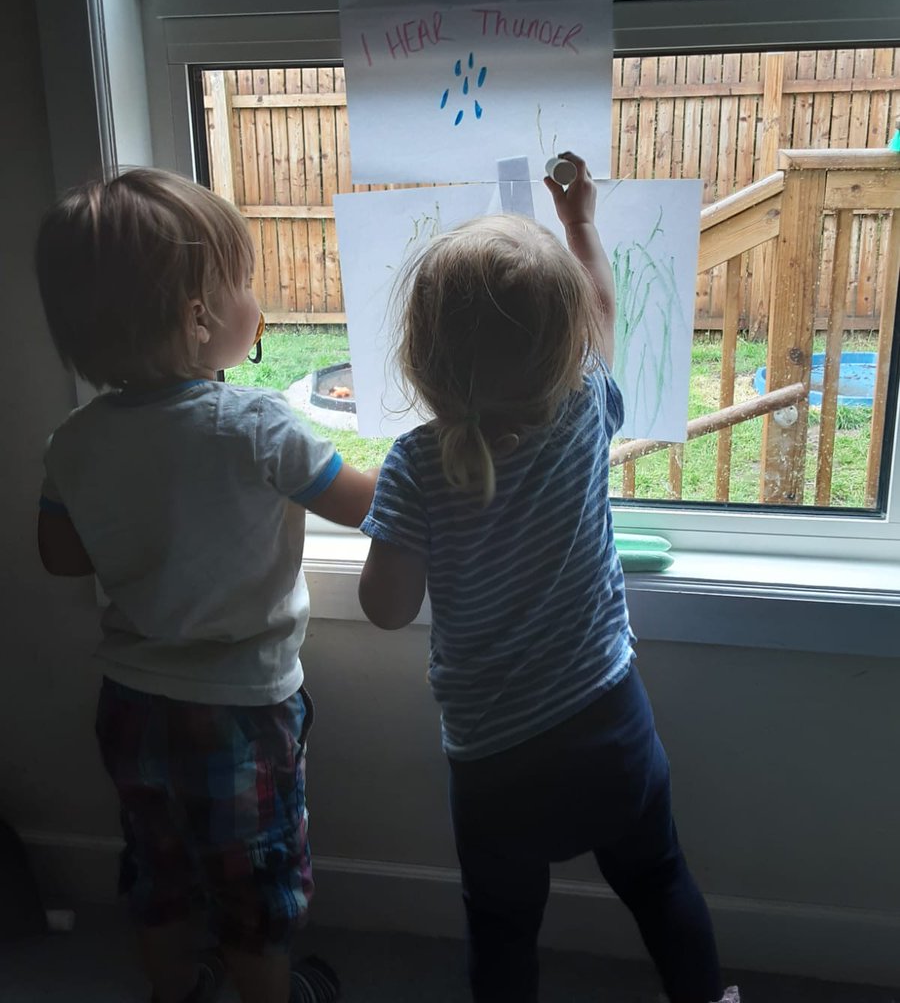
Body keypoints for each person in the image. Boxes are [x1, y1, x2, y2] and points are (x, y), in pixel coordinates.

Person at [357, 153, 738, 1003]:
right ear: (565, 347)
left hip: (493, 759)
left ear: (423, 356)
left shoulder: (416, 466)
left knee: (502, 929)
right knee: (661, 881)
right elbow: (602, 310)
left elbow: (386, 609)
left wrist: (393, 534)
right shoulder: (585, 407)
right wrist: (580, 226)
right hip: (608, 723)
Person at [35, 168, 375, 1003]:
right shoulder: (253, 425)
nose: (256, 303)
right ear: (200, 321)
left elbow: (61, 556)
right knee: (254, 885)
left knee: (159, 870)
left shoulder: (72, 442)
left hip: (131, 702)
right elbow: (366, 506)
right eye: (244, 288)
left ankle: (174, 993)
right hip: (241, 710)